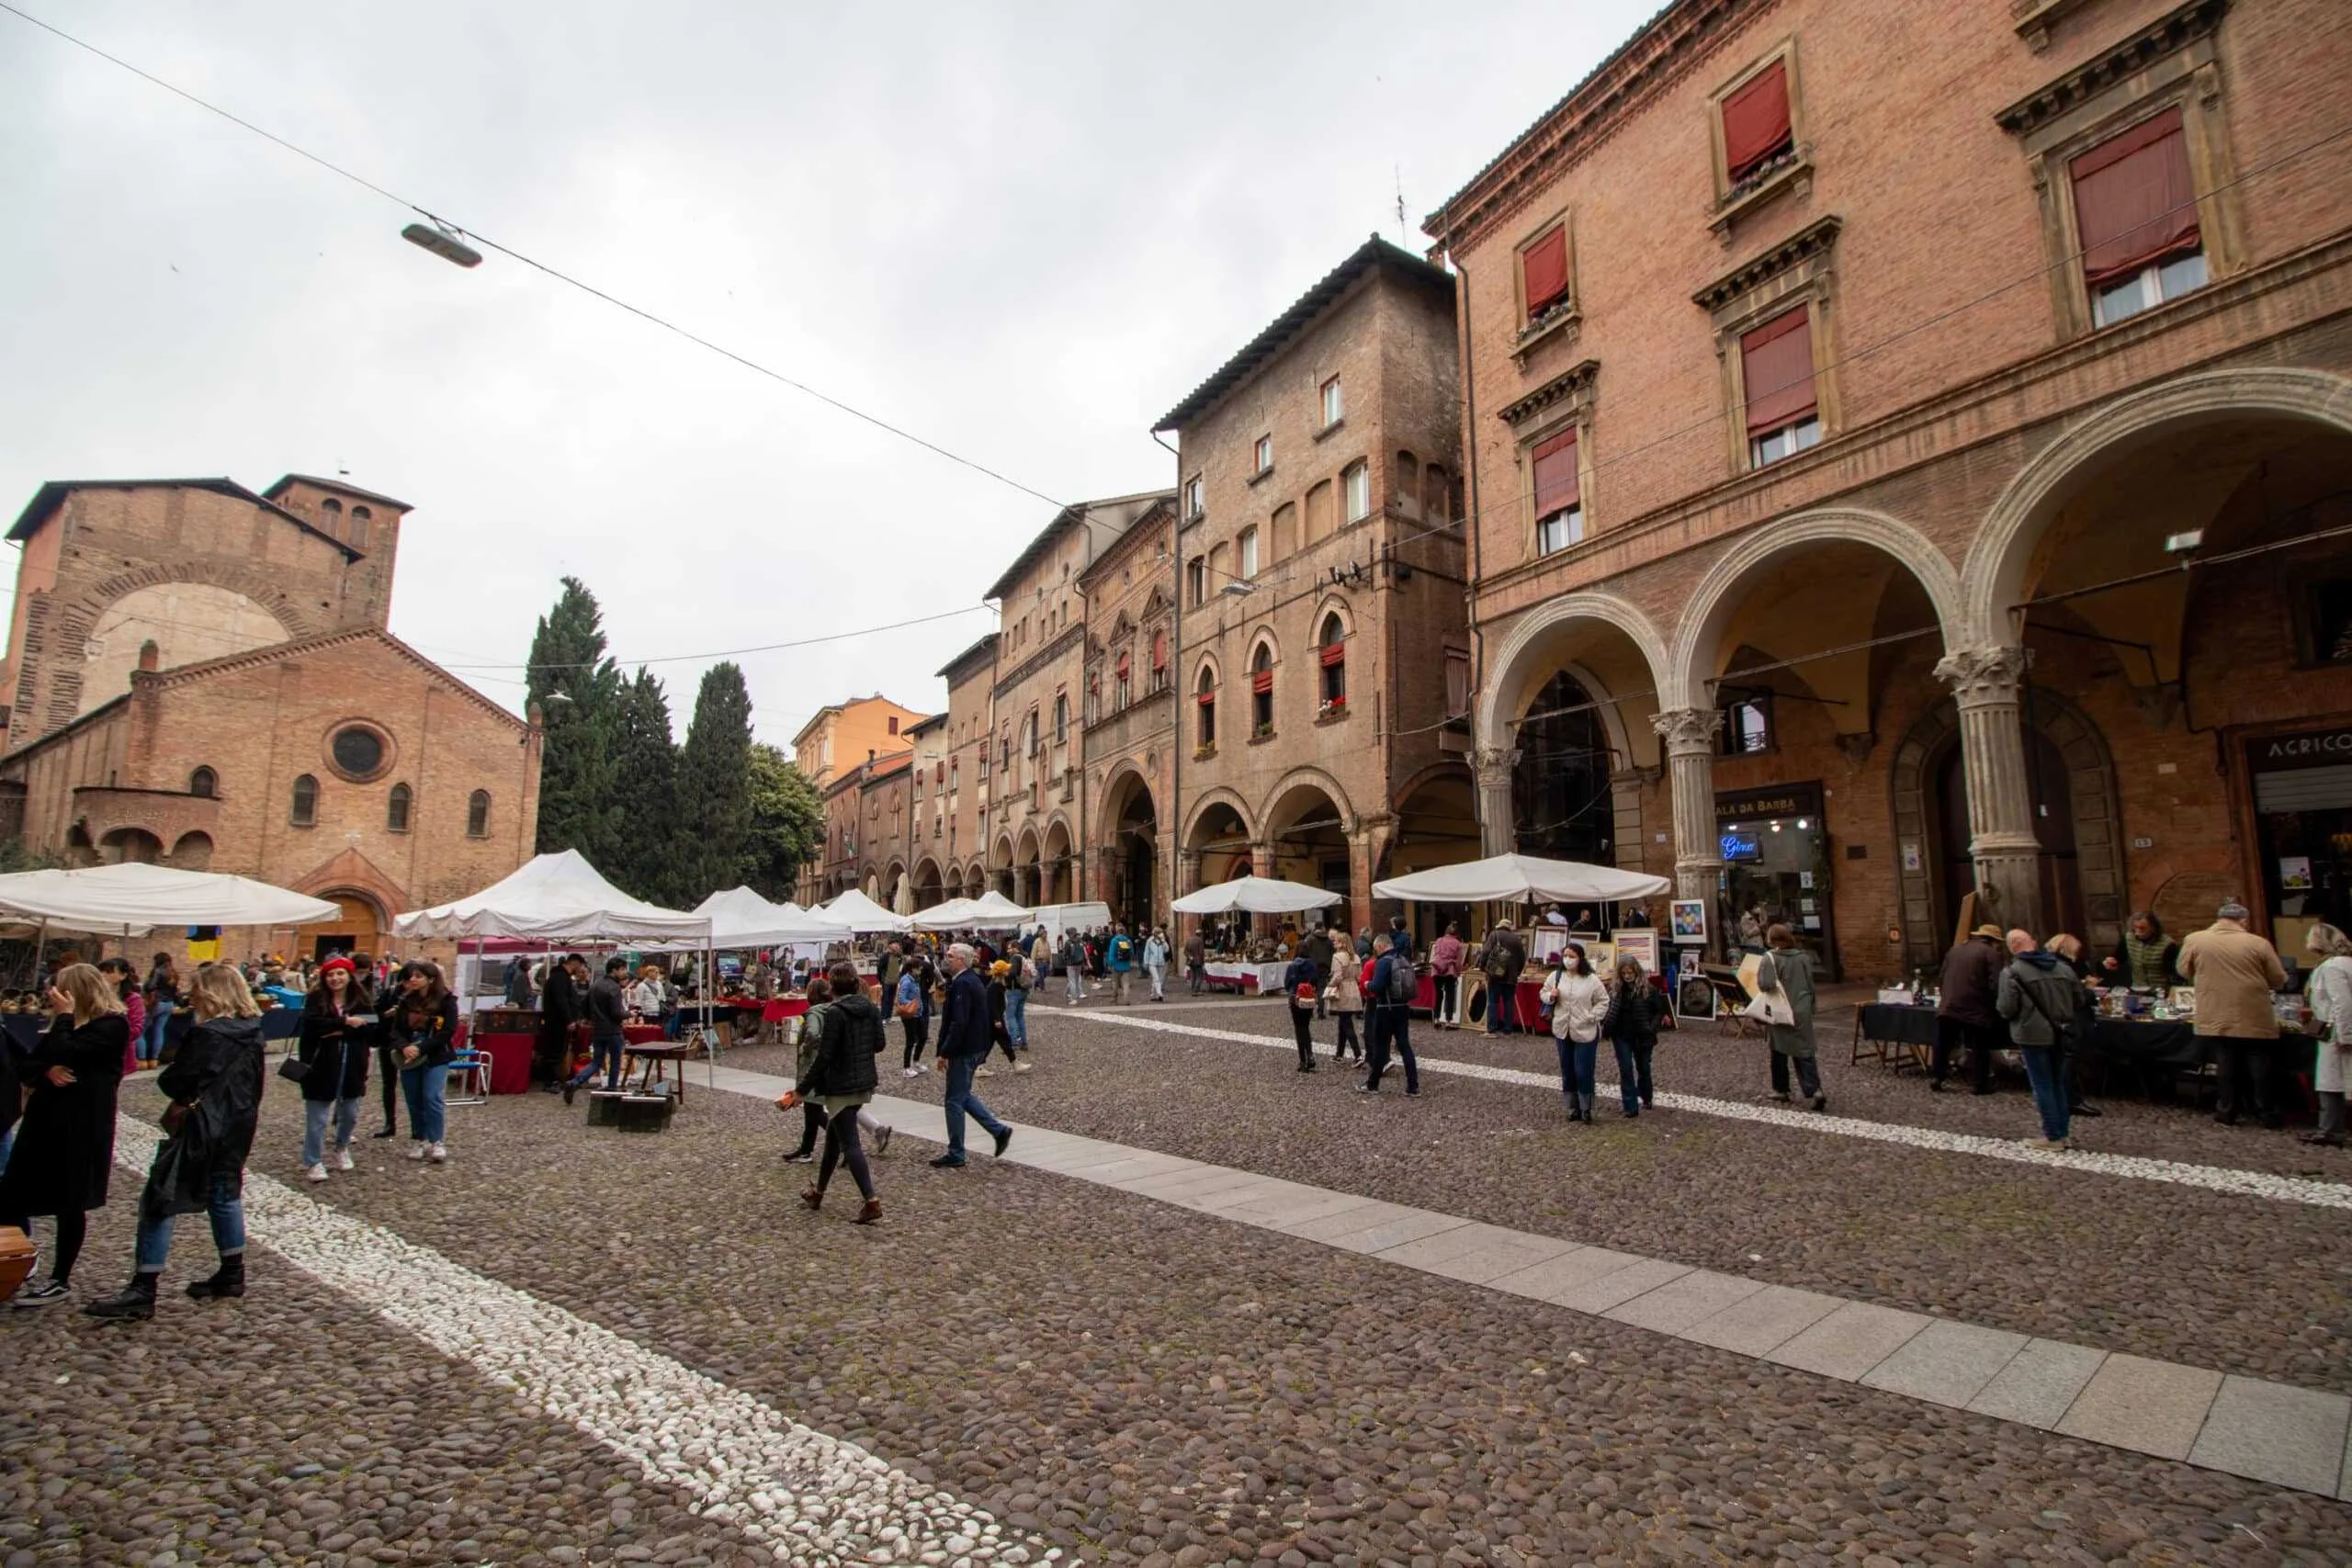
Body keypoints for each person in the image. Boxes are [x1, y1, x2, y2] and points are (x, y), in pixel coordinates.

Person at [85, 964, 267, 1319]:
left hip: (202, 1125)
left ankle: (143, 1287)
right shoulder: (253, 1031)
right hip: (238, 1123)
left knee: (162, 1197)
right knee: (224, 1193)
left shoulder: (208, 1034)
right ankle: (232, 1272)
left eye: (197, 989)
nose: (192, 996)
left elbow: (174, 1081)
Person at [0, 964, 130, 1307]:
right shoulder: (65, 1025)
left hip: (82, 1126)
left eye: (59, 989)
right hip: (45, 1122)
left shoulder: (111, 1025)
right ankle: (17, 1259)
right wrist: (48, 1069)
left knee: (70, 1202)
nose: (51, 995)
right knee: (11, 1192)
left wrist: (65, 1019)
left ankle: (60, 1278)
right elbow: (30, 1064)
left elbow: (70, 1050)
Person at [2178, 900, 2289, 1128]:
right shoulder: (2258, 943)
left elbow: (2183, 970)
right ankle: (2267, 1113)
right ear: (2243, 921)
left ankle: (2227, 1111)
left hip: (2215, 1010)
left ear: (2219, 919)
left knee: (2225, 1062)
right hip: (2253, 1011)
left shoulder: (2195, 940)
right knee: (2259, 1063)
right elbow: (2278, 978)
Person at [1996, 929, 2089, 1150]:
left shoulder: (2012, 972)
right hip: (2061, 1031)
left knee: (2043, 1084)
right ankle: (2062, 1133)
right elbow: (2079, 999)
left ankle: (2053, 1136)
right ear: (2034, 942)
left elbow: (2006, 1008)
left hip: (2032, 1034)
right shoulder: (2063, 968)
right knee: (2058, 1082)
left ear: (2012, 947)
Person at [932, 943, 1012, 1168]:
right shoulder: (969, 980)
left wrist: (945, 1051)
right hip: (973, 1047)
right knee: (962, 1095)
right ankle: (999, 1131)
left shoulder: (963, 983)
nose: (946, 958)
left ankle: (956, 1152)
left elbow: (959, 1022)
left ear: (961, 960)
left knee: (953, 1101)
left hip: (964, 1049)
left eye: (950, 956)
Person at [295, 956, 370, 1182]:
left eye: (340, 973)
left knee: (350, 1112)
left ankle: (342, 1146)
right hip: (321, 1063)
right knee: (317, 1115)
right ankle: (313, 1160)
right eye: (330, 974)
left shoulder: (360, 999)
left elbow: (370, 1027)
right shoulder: (316, 999)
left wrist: (337, 1029)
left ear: (349, 976)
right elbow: (312, 1026)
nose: (335, 978)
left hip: (353, 1061)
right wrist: (345, 1023)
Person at [390, 962, 460, 1163]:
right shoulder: (406, 1001)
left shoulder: (446, 1001)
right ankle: (420, 1138)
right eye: (411, 976)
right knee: (414, 1099)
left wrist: (422, 1048)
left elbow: (448, 1031)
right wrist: (404, 1046)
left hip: (435, 1054)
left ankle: (437, 1140)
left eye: (418, 976)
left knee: (432, 1096)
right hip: (409, 1055)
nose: (412, 980)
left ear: (430, 979)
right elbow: (395, 1030)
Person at [1756, 925, 1826, 1111]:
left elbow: (1765, 984)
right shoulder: (1803, 957)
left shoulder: (1770, 958)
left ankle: (1780, 1089)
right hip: (1802, 1008)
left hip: (1780, 1009)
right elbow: (1810, 983)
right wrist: (1811, 1006)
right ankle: (1815, 1090)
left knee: (1778, 1050)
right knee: (1804, 1050)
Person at [1540, 942, 1609, 1122]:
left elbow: (1603, 1001)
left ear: (1580, 958)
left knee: (1583, 1070)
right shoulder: (1555, 976)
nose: (1568, 959)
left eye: (1572, 956)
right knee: (1567, 1070)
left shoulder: (1591, 980)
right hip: (1563, 1029)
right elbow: (1543, 993)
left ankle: (1586, 1108)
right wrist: (1551, 996)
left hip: (1585, 1030)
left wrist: (1592, 1016)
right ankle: (1572, 1107)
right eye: (1565, 956)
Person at [1934, 923, 2006, 1095]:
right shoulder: (1991, 954)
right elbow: (1996, 983)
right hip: (1975, 1008)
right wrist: (1994, 1005)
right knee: (1980, 1047)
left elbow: (1942, 977)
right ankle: (1980, 1084)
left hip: (1949, 1005)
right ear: (1994, 941)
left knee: (1944, 1044)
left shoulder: (1955, 949)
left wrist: (1946, 997)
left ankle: (1937, 1076)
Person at [2301, 922, 2352, 1147]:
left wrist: (2346, 1035)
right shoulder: (2342, 963)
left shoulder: (2332, 967)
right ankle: (2330, 1128)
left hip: (2335, 1031)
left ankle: (2330, 1130)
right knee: (2335, 1081)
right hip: (2336, 1029)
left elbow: (2342, 1002)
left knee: (2332, 1082)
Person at [2041, 934, 2105, 1120]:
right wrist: (2090, 988)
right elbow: (2079, 997)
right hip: (2072, 1018)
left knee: (2064, 1060)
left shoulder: (2046, 964)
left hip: (2055, 1018)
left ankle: (2066, 1098)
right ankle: (2071, 1099)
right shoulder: (2064, 967)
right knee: (2070, 1060)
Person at [1604, 957, 1671, 1116]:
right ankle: (1630, 1106)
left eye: (1630, 972)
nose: (1627, 976)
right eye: (1624, 973)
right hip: (1621, 1035)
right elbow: (1607, 1009)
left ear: (1636, 971)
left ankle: (1646, 1097)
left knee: (1644, 1068)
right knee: (1626, 1069)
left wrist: (1652, 1028)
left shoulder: (1649, 989)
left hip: (1643, 1035)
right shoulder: (1615, 989)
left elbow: (1659, 1010)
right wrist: (1606, 1028)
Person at [562, 957, 631, 1105]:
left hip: (597, 1029)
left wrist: (590, 1018)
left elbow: (584, 1005)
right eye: (622, 969)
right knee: (615, 1060)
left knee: (596, 1062)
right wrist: (629, 1014)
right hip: (612, 1029)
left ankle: (575, 1082)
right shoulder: (614, 987)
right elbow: (616, 1013)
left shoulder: (595, 985)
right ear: (614, 970)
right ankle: (612, 1088)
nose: (624, 972)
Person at [1359, 935, 1419, 1097]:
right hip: (1403, 1007)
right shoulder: (1403, 959)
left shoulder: (1384, 962)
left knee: (1380, 1047)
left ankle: (1372, 1084)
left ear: (1380, 946)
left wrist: (1367, 984)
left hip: (1386, 1008)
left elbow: (1377, 986)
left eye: (1376, 949)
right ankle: (1413, 1086)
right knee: (1405, 1046)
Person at [535, 953, 586, 1097]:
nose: (580, 970)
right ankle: (550, 1081)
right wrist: (569, 1019)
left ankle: (554, 1080)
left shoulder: (561, 977)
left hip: (558, 1020)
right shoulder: (560, 978)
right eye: (580, 966)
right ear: (574, 963)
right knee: (554, 1051)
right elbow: (561, 1000)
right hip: (557, 1021)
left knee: (557, 1051)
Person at [2102, 910, 2181, 991]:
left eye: (2142, 928)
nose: (2138, 932)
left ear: (2153, 928)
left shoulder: (2168, 945)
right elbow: (2119, 958)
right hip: (2138, 989)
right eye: (2135, 927)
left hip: (2161, 990)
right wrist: (2111, 962)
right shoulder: (2128, 938)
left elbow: (2175, 972)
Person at [98, 958, 146, 1079]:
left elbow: (136, 1029)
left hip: (118, 1053)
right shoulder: (95, 996)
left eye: (109, 971)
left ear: (123, 975)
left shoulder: (133, 999)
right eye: (101, 971)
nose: (103, 975)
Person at [1477, 921, 1528, 1035]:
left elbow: (1485, 952)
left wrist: (1482, 967)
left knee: (1493, 1002)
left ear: (1500, 926)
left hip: (1496, 974)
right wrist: (1517, 973)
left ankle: (1491, 1029)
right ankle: (1508, 1029)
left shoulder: (1494, 935)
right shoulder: (1516, 939)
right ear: (1509, 928)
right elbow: (1522, 959)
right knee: (1509, 1003)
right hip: (1511, 977)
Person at [984, 960, 1029, 1075]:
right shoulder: (994, 986)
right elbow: (992, 1004)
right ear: (1002, 972)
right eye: (1006, 969)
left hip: (996, 1019)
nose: (1008, 971)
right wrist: (997, 1020)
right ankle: (1016, 1064)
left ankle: (979, 1065)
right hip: (996, 1020)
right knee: (1004, 1041)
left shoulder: (997, 984)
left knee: (990, 1044)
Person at [895, 955, 933, 1077]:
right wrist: (914, 1005)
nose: (921, 969)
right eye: (919, 968)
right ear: (912, 969)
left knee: (923, 1037)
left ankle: (916, 1062)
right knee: (910, 1041)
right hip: (910, 1015)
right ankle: (906, 1068)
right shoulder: (906, 981)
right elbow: (901, 998)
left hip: (918, 1013)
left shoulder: (915, 979)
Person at [1283, 948, 1320, 1073]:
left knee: (1299, 1030)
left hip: (1296, 999)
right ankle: (1310, 1055)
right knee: (1306, 1027)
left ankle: (1303, 1061)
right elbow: (1316, 982)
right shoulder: (1312, 966)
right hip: (1308, 999)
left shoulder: (1292, 966)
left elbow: (1286, 984)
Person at [1326, 947, 1364, 1065]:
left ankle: (1358, 1055)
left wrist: (1330, 985)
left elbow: (1337, 977)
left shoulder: (1337, 957)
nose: (1334, 943)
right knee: (1343, 1023)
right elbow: (1359, 977)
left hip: (1343, 991)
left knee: (1347, 1024)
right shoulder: (1356, 957)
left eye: (1336, 941)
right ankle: (1339, 1054)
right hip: (1353, 989)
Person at [140, 953, 179, 1067]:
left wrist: (146, 985)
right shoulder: (174, 973)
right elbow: (175, 991)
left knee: (140, 1031)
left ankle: (141, 1059)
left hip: (156, 1003)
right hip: (169, 1004)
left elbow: (150, 987)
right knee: (159, 1030)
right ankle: (154, 1059)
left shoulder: (157, 971)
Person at [1428, 922, 1464, 1030]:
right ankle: (1448, 1022)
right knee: (1450, 996)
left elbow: (1434, 955)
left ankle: (1436, 1019)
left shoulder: (1439, 940)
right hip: (1449, 970)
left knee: (1438, 995)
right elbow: (1459, 961)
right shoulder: (1457, 944)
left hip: (1436, 969)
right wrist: (1458, 972)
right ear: (1456, 934)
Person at [1002, 945, 1033, 1051]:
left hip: (1014, 990)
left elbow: (1012, 973)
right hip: (1024, 989)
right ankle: (1024, 1042)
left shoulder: (1014, 958)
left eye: (1009, 948)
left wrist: (1004, 973)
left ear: (1015, 948)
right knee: (1020, 1016)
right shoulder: (1025, 957)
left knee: (1010, 1017)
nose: (1008, 950)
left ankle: (1013, 1043)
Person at [1106, 924, 1136, 1004]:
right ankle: (1126, 999)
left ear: (1117, 931)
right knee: (1126, 983)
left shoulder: (1114, 940)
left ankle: (1114, 998)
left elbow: (1111, 953)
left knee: (1115, 983)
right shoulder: (1128, 941)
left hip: (1116, 965)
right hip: (1126, 965)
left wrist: (1110, 963)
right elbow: (1132, 953)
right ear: (1124, 932)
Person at [1143, 926, 1170, 1002]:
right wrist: (1146, 962)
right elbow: (1146, 952)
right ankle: (1160, 993)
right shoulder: (1149, 941)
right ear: (1155, 933)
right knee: (1156, 978)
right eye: (1159, 933)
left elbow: (1166, 950)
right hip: (1152, 962)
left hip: (1161, 962)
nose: (1160, 934)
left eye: (1161, 933)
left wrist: (1164, 941)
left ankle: (1154, 994)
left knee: (1159, 979)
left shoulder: (1162, 941)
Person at [1062, 931, 1088, 1004]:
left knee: (1072, 981)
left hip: (1071, 964)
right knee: (1076, 980)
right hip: (1079, 964)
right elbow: (1084, 954)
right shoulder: (1081, 943)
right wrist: (1085, 963)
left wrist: (1066, 961)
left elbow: (1065, 954)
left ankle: (1073, 999)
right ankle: (1066, 993)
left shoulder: (1068, 943)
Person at [1185, 927, 1207, 996]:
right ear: (1200, 934)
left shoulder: (1189, 940)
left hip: (1191, 961)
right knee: (1199, 976)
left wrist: (1189, 956)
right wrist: (1203, 962)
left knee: (1193, 976)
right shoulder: (1200, 940)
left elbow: (1185, 951)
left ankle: (1193, 990)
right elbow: (1201, 952)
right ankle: (1196, 991)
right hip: (1198, 961)